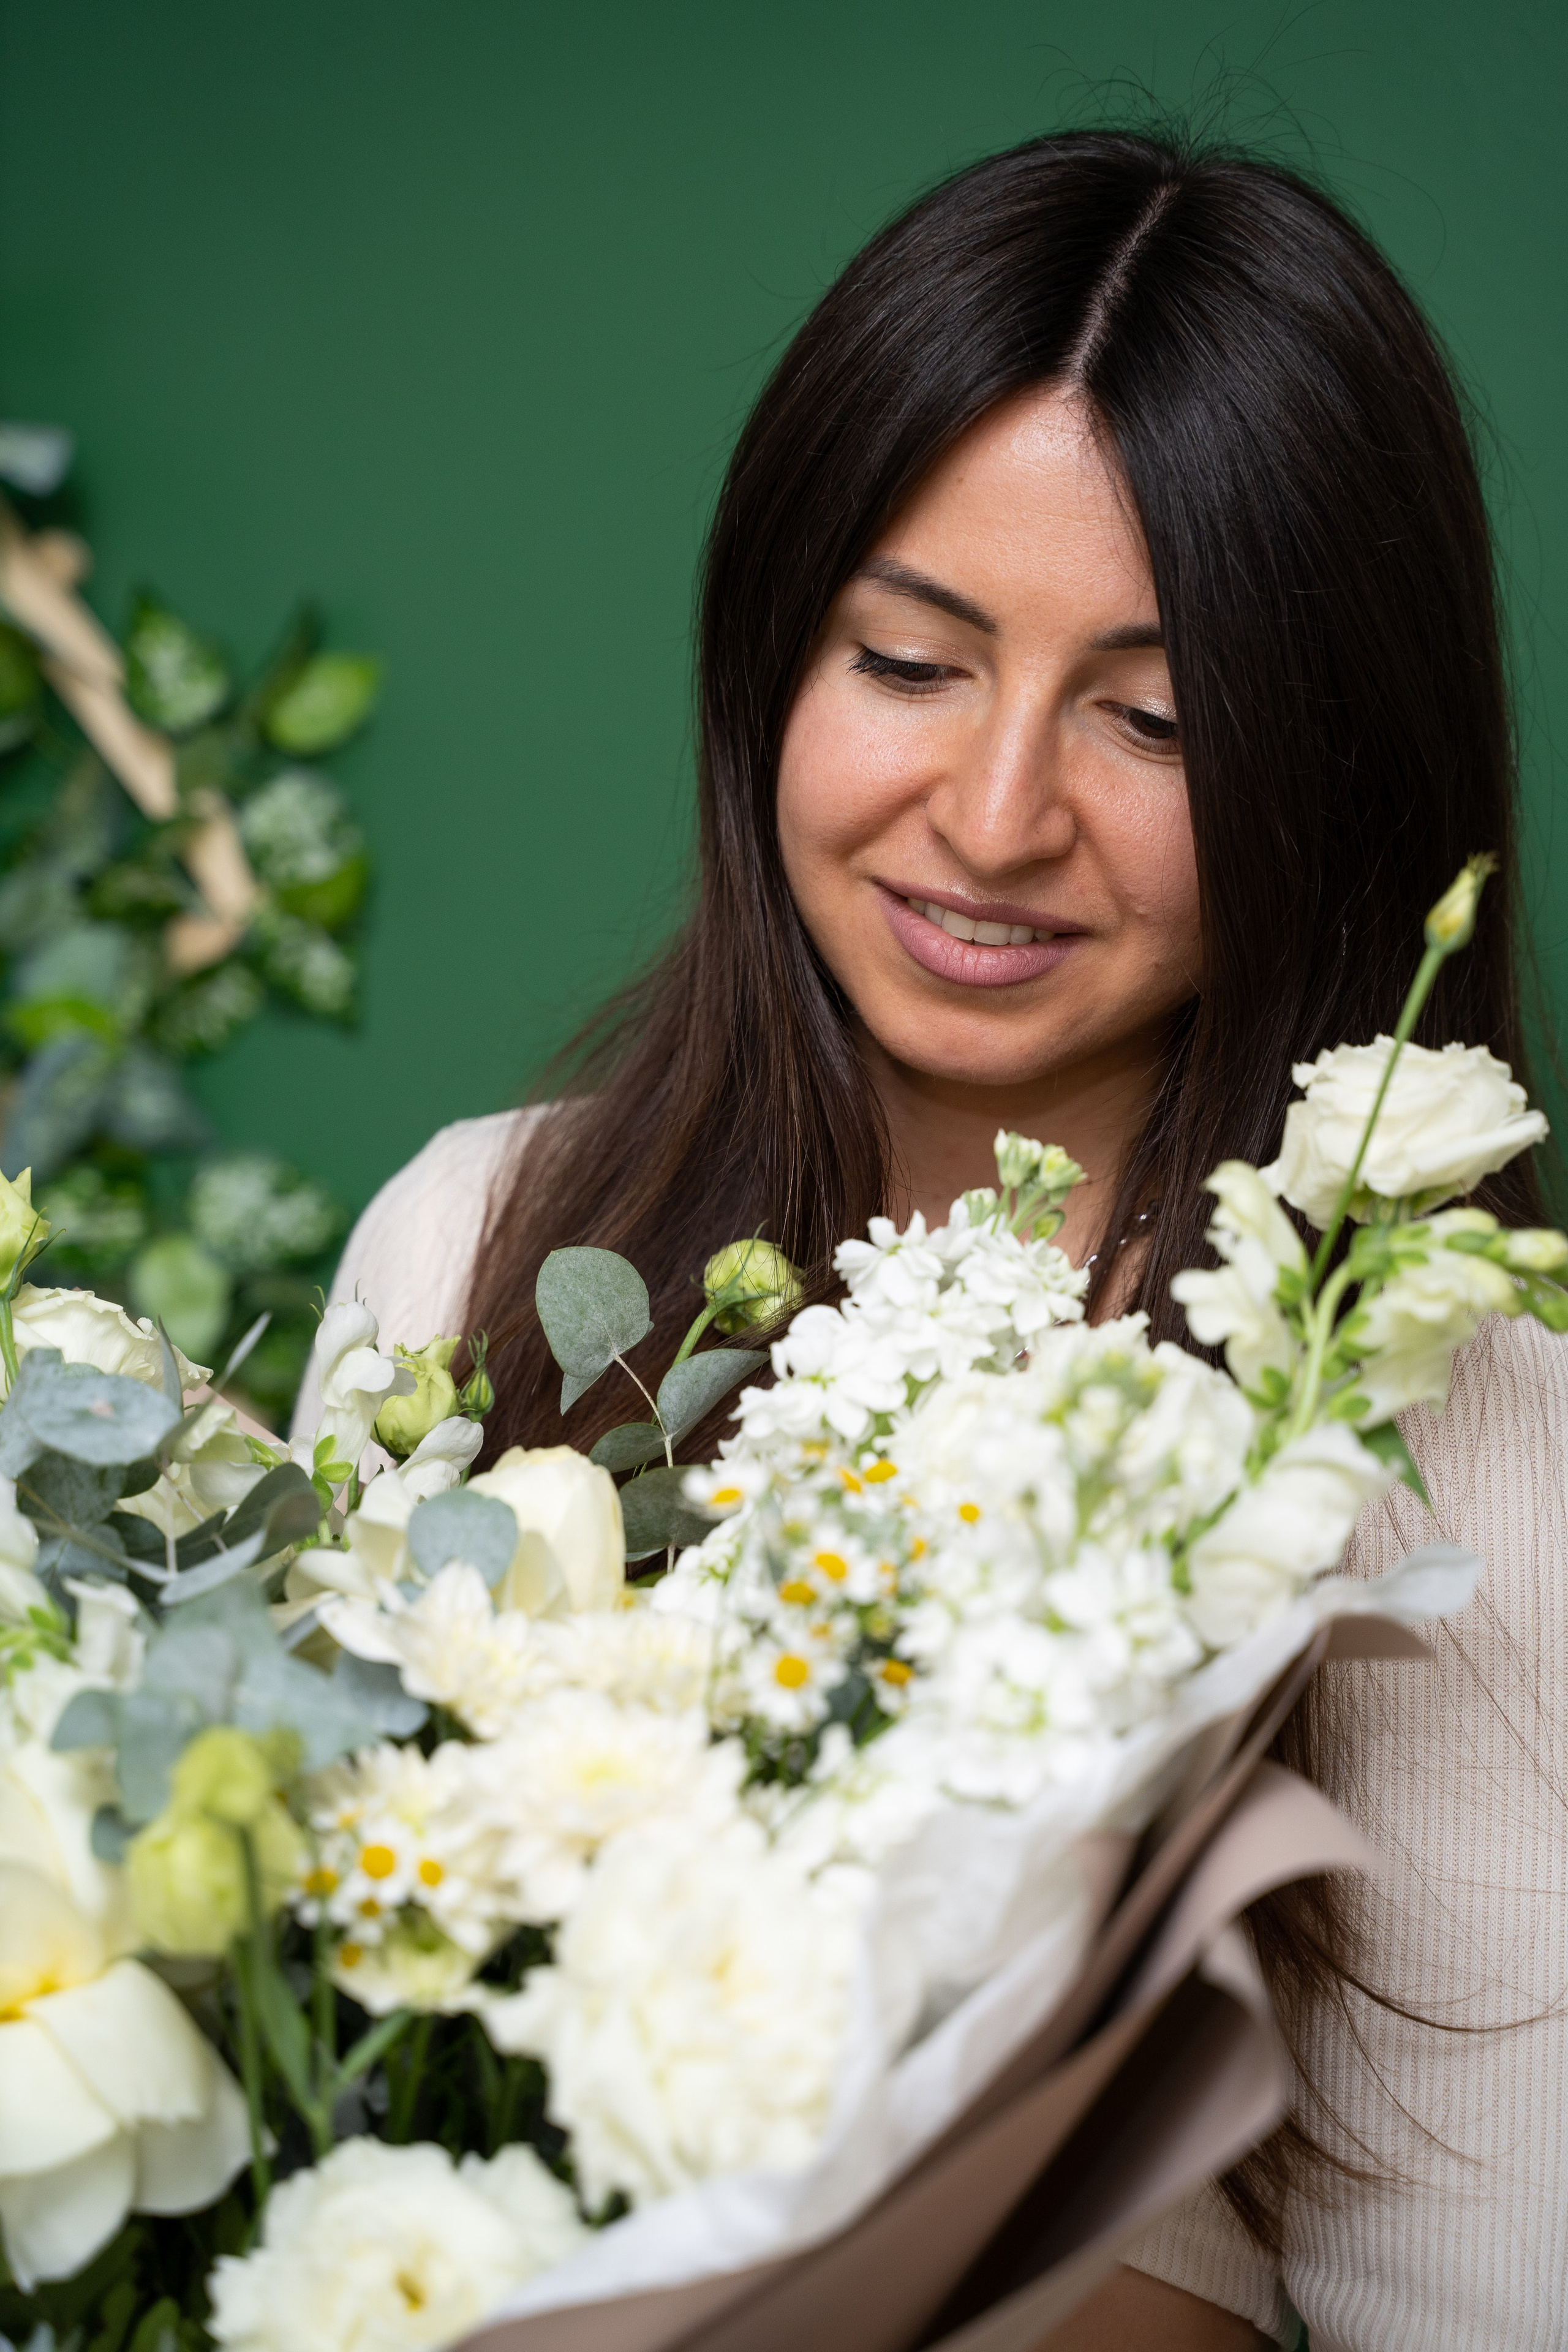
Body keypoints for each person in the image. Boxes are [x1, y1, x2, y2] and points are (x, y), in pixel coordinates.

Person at [306, 130, 1568, 2349]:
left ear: (1339, 773)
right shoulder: (472, 1249)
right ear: (769, 654)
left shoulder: (1466, 1444)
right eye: (910, 662)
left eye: (1156, 717)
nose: (995, 821)